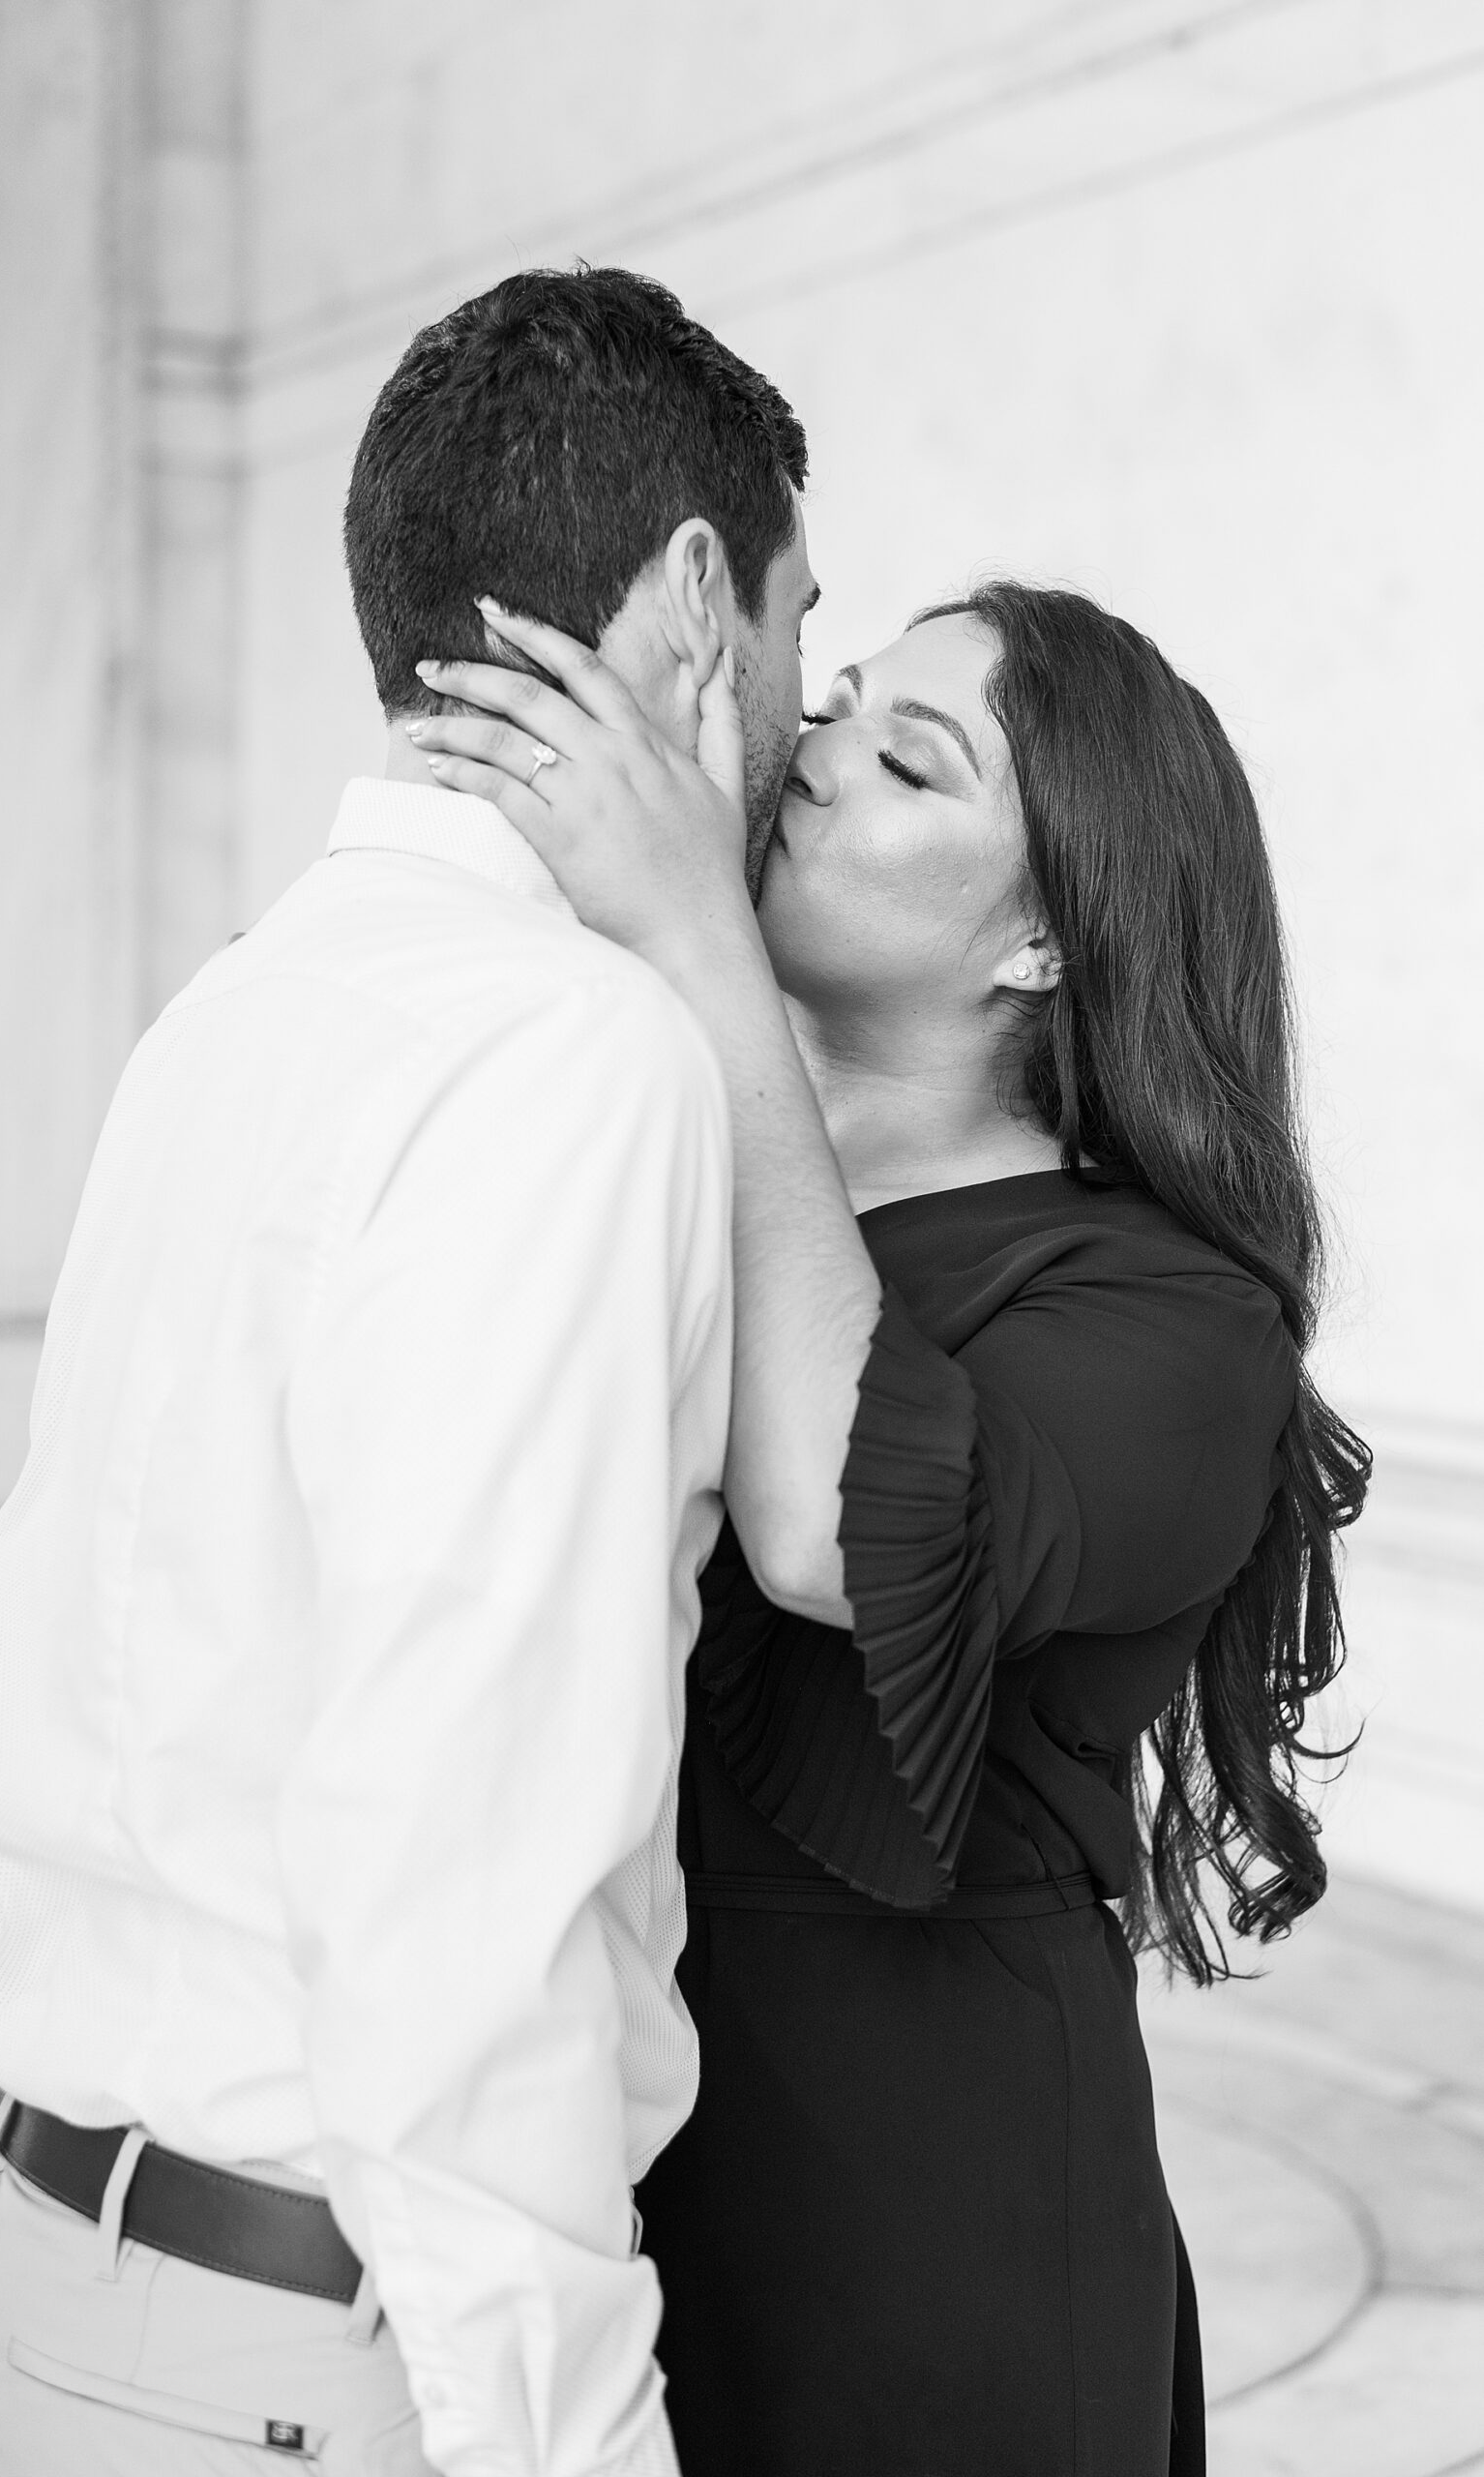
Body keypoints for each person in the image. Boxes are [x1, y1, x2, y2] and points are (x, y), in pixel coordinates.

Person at [0, 267, 820, 2477]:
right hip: (270, 2358)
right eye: (804, 617)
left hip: (4, 2267)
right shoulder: (578, 1054)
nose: (807, 698)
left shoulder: (231, 1006)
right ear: (697, 601)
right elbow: (468, 1888)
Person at [403, 580, 1372, 2477]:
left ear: (1038, 943)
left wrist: (693, 929)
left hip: (931, 2223)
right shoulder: (669, 1136)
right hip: (600, 2159)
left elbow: (833, 1532)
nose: (817, 747)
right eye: (836, 697)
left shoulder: (1179, 1317)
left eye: (906, 755)